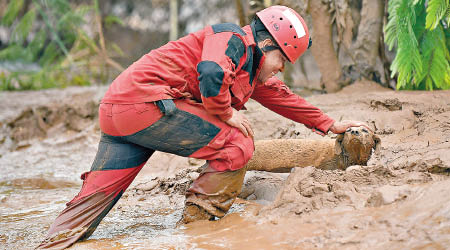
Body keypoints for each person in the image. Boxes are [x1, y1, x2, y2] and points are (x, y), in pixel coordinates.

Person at [37, 5, 369, 249]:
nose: (281, 70)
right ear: (269, 45)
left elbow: (284, 98)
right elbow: (211, 72)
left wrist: (329, 125)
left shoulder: (251, 65)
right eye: (283, 61)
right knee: (237, 143)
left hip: (119, 110)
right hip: (145, 107)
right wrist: (225, 113)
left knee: (91, 205)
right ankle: (200, 227)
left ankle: (54, 242)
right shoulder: (233, 39)